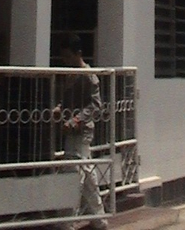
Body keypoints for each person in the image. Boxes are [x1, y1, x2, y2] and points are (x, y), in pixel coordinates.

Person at [55, 33, 107, 230]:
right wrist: (60, 107)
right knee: (86, 174)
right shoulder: (72, 73)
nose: (66, 60)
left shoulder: (88, 75)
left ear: (78, 53)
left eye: (68, 56)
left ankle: (66, 222)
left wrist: (77, 119)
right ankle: (99, 217)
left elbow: (96, 105)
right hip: (73, 130)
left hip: (81, 130)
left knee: (74, 174)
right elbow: (68, 98)